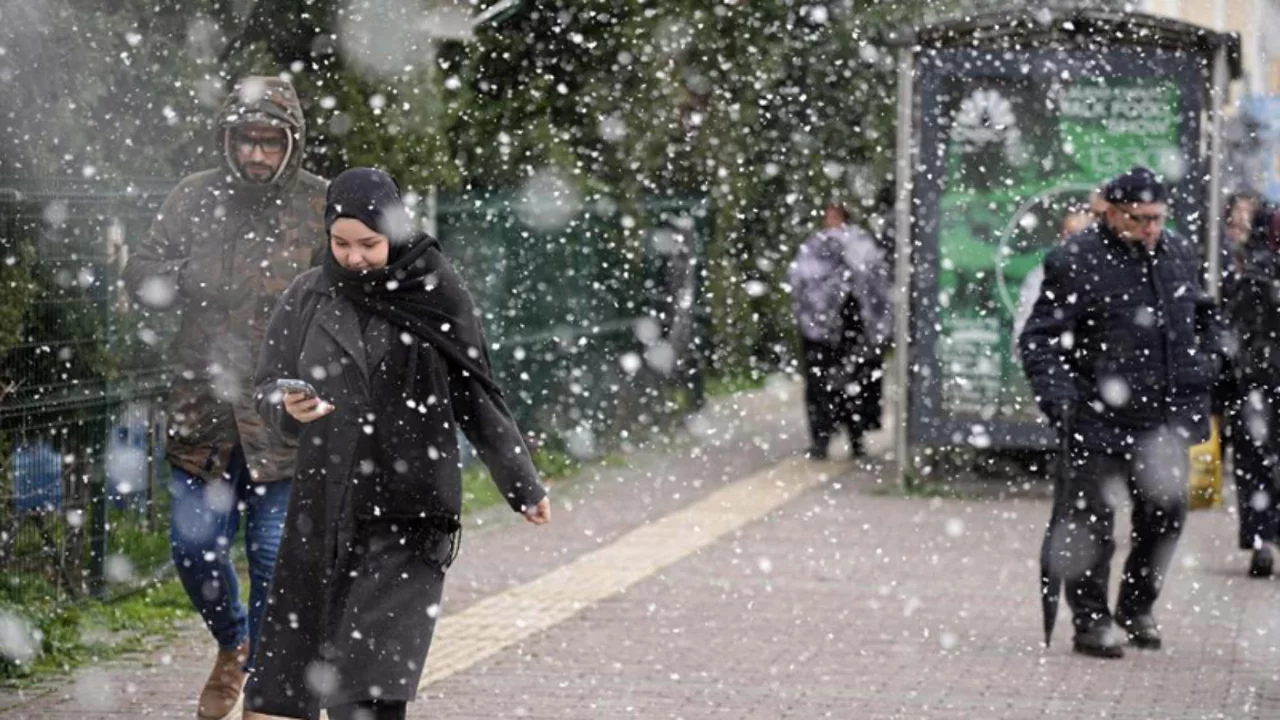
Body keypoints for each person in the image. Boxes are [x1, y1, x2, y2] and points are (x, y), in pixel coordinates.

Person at [244, 168, 551, 720]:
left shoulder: (436, 293)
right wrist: (285, 407)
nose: (354, 257)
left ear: (395, 231)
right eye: (340, 243)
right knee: (312, 679)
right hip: (325, 509)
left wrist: (522, 483)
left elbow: (476, 397)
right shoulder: (308, 295)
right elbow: (267, 385)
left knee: (369, 686)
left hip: (410, 513)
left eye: (369, 243)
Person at [121, 76, 327, 720]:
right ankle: (234, 642)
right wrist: (181, 278)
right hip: (202, 412)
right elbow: (142, 271)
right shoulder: (193, 198)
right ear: (228, 140)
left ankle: (264, 689)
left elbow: (361, 288)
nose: (257, 156)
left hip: (285, 420)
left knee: (273, 555)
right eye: (246, 141)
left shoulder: (322, 203)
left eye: (270, 142)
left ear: (292, 142)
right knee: (194, 546)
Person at [1019, 166, 1220, 659]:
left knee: (1165, 518)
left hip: (1164, 417)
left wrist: (1205, 364)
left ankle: (1136, 607)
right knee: (1091, 524)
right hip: (1097, 416)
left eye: (1157, 217)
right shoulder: (1075, 259)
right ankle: (1090, 621)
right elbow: (1039, 339)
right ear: (1109, 212)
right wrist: (1061, 399)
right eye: (1138, 218)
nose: (1150, 228)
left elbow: (1200, 315)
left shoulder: (1177, 253)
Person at [788, 201, 892, 459]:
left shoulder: (821, 246)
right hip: (836, 330)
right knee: (836, 383)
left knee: (841, 383)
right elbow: (875, 283)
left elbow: (802, 282)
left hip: (844, 328)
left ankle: (846, 437)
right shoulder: (846, 245)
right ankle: (833, 438)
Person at [1221, 201, 1280, 578]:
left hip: (1255, 381)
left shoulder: (1251, 272)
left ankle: (1261, 538)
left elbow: (1232, 330)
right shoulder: (1255, 274)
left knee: (1254, 463)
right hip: (1259, 378)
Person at [1012, 202, 1098, 342]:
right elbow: (1024, 336)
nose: (1075, 242)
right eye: (1070, 234)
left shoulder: (1112, 274)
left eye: (1083, 234)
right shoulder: (1041, 277)